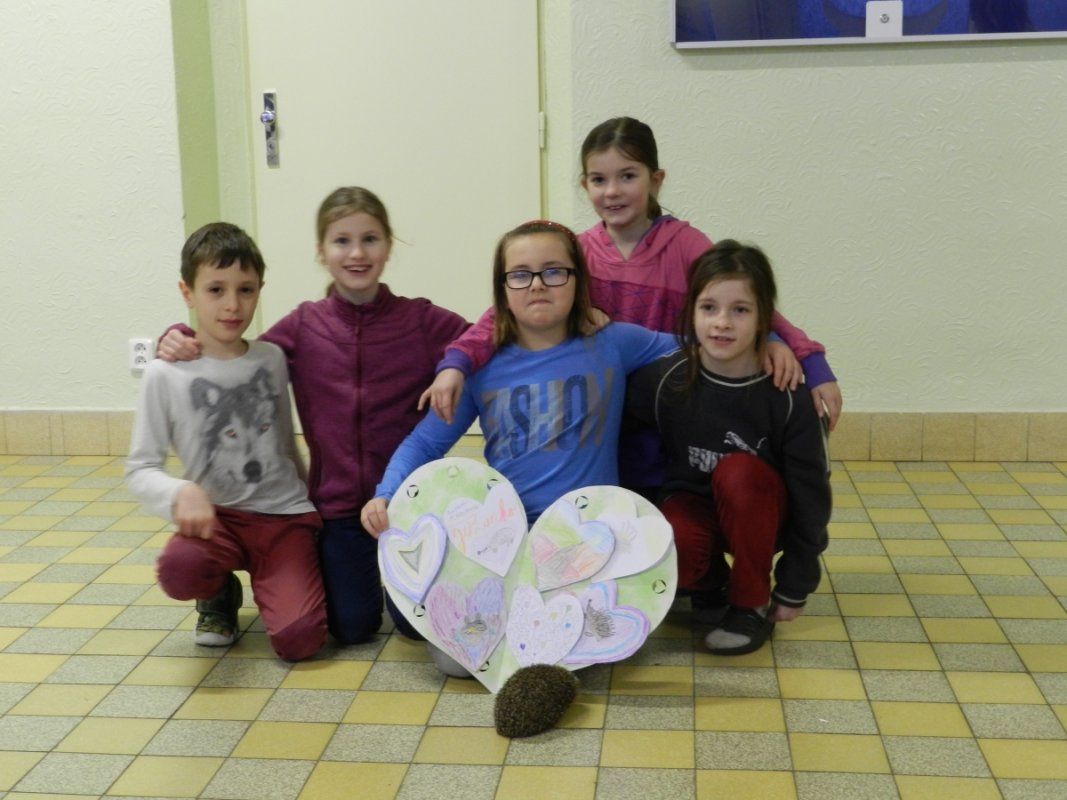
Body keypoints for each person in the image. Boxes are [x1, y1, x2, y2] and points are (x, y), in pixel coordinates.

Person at [423, 117, 841, 494]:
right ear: (585, 186)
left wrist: (793, 351)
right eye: (599, 179)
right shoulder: (578, 253)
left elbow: (740, 296)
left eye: (627, 176)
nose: (612, 191)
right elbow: (501, 312)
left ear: (655, 180)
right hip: (601, 423)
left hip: (671, 412)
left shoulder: (686, 246)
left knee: (671, 511)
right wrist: (455, 364)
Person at [361, 221, 682, 675]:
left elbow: (702, 344)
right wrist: (386, 493)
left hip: (584, 539)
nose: (537, 285)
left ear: (577, 280)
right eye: (520, 274)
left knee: (591, 647)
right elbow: (425, 441)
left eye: (554, 271)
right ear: (502, 288)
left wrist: (772, 342)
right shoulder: (481, 366)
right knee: (455, 661)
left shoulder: (613, 343)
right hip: (506, 540)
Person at [157, 188, 470, 645]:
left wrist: (453, 365)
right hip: (337, 509)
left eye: (370, 239)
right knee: (352, 628)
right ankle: (219, 589)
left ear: (388, 246)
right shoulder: (305, 326)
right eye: (342, 241)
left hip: (407, 505)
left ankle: (402, 583)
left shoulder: (420, 320)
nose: (357, 253)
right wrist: (177, 333)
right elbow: (237, 355)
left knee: (415, 630)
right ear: (321, 252)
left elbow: (481, 338)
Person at [126, 223, 326, 661]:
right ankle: (218, 593)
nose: (233, 305)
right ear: (188, 292)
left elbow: (284, 442)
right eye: (215, 290)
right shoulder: (164, 374)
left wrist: (310, 501)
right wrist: (181, 491)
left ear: (260, 290)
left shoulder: (272, 358)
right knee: (180, 569)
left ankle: (280, 581)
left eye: (246, 290)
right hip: (215, 520)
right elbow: (140, 469)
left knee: (300, 640)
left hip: (281, 518)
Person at [625, 240, 831, 656]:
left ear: (763, 319)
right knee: (672, 532)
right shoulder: (663, 380)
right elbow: (625, 453)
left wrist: (795, 584)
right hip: (695, 508)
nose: (722, 323)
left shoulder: (788, 394)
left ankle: (750, 601)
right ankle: (709, 584)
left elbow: (813, 498)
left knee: (739, 471)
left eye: (740, 310)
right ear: (691, 312)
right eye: (709, 308)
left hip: (763, 517)